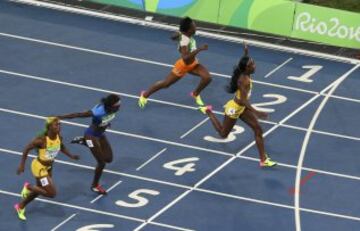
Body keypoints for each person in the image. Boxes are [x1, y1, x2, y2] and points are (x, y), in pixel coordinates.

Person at [198, 43, 277, 167]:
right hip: (234, 109)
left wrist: (246, 53)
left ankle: (263, 160)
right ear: (246, 69)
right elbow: (244, 101)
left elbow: (243, 63)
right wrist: (256, 112)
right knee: (223, 134)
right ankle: (208, 111)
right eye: (252, 65)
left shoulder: (246, 72)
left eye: (253, 63)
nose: (254, 66)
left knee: (258, 129)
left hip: (242, 108)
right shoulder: (243, 81)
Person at [138, 16, 212, 108]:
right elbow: (185, 58)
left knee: (207, 78)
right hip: (183, 66)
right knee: (166, 84)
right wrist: (199, 49)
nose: (195, 27)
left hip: (193, 64)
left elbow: (173, 37)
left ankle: (195, 94)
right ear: (189, 30)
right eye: (194, 26)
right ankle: (144, 95)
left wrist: (178, 34)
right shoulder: (185, 40)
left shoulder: (186, 35)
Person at [15, 117, 79, 221]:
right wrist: (22, 165)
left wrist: (71, 156)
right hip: (39, 167)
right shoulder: (42, 140)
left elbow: (61, 146)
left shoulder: (59, 137)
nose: (59, 127)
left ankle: (20, 206)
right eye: (56, 125)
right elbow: (26, 148)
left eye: (59, 124)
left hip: (49, 167)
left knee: (39, 190)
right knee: (51, 193)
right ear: (49, 127)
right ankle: (28, 187)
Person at [56, 94, 121, 194]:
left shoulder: (111, 110)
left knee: (108, 159)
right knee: (101, 163)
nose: (120, 107)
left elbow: (105, 118)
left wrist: (106, 123)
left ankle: (84, 142)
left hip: (100, 134)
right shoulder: (98, 111)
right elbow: (78, 114)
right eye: (118, 105)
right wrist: (60, 117)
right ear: (111, 106)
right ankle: (94, 186)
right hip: (91, 136)